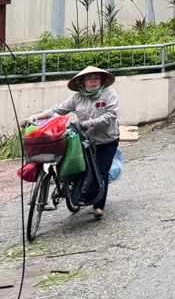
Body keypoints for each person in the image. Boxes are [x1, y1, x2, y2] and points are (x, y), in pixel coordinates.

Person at [27, 65, 120, 218]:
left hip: (107, 139)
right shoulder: (78, 98)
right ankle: (81, 194)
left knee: (100, 171)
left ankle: (98, 205)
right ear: (82, 82)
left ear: (102, 80)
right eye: (89, 79)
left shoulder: (109, 94)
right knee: (83, 169)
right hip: (87, 140)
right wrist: (36, 117)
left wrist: (92, 122)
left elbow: (111, 115)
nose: (93, 81)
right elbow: (57, 110)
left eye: (96, 78)